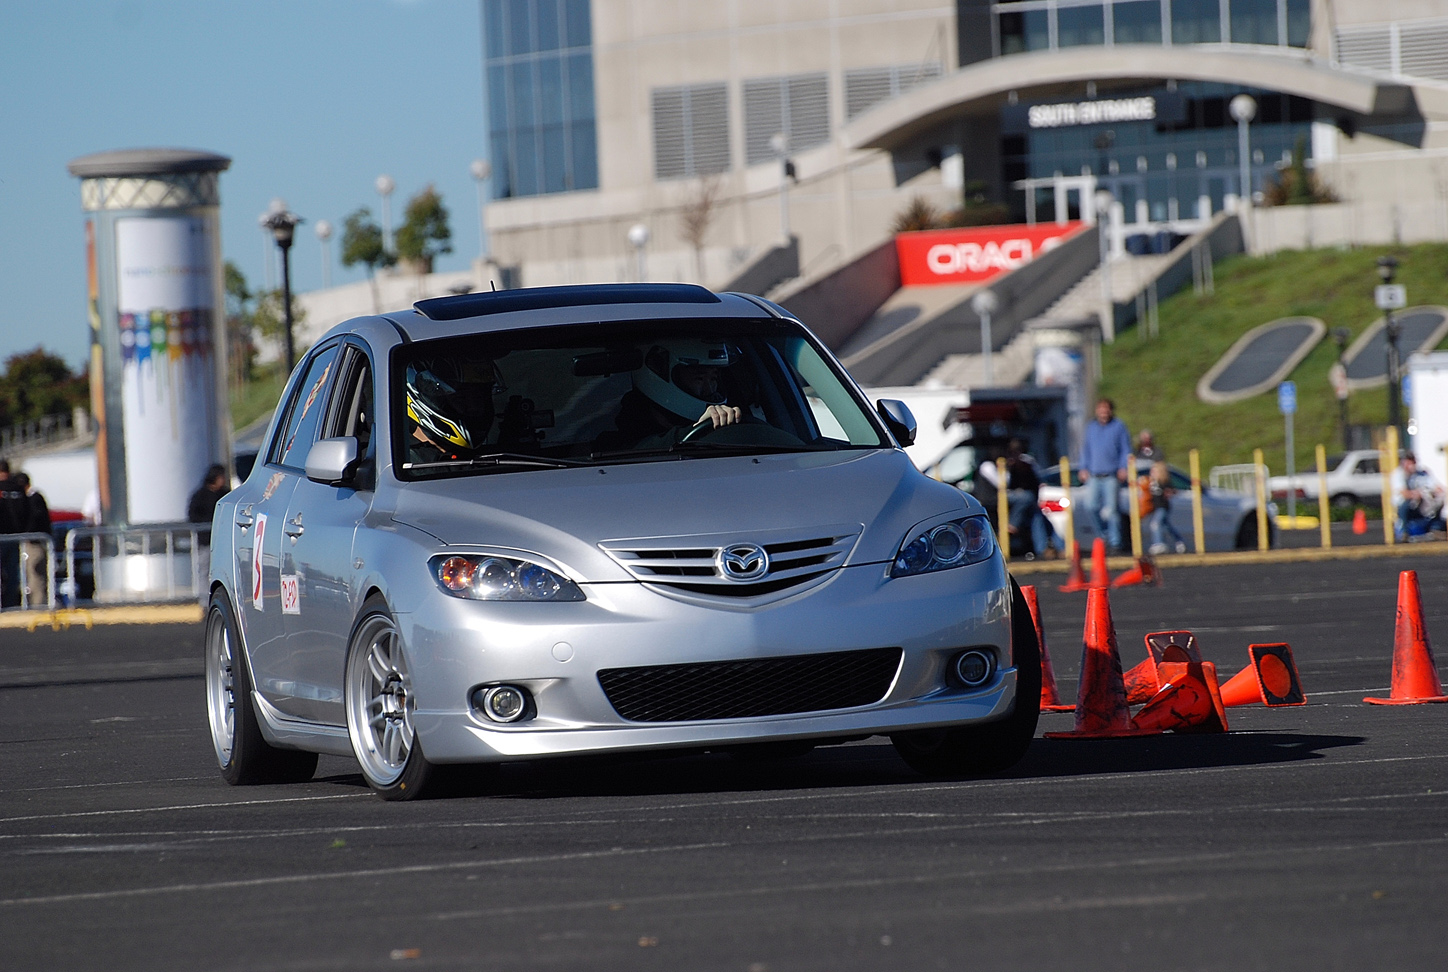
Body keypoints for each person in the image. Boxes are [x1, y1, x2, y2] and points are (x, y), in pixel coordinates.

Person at [596, 340, 742, 451]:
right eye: (699, 378)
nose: (709, 390)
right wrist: (694, 430)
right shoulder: (617, 437)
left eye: (713, 379)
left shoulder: (730, 421)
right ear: (659, 372)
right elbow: (637, 451)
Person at [1078, 398, 1132, 553]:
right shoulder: (1091, 427)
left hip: (1111, 475)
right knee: (1090, 506)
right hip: (1094, 475)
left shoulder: (1118, 426)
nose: (1104, 412)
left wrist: (1123, 467)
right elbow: (1086, 449)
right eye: (1101, 409)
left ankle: (1115, 542)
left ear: (1111, 410)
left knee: (1113, 510)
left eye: (1106, 408)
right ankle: (1104, 535)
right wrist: (1083, 467)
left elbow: (1125, 449)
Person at [1005, 438, 1062, 559]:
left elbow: (1036, 483)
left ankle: (1058, 548)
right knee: (1029, 502)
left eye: (1018, 451)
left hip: (1027, 505)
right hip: (1009, 502)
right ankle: (1013, 524)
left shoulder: (1028, 464)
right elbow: (1003, 485)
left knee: (1038, 516)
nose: (1016, 454)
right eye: (1013, 451)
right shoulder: (1003, 466)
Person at [13, 473, 51, 605]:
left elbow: (36, 519)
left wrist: (27, 533)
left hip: (35, 543)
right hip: (35, 541)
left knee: (36, 575)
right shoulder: (34, 498)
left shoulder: (34, 498)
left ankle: (38, 604)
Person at [1390, 452, 1446, 540]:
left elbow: (1436, 487)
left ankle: (1436, 529)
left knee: (1439, 501)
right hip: (1406, 505)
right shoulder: (1398, 474)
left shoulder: (1422, 473)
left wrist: (1439, 493)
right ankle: (1404, 532)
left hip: (1423, 503)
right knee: (1406, 504)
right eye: (1408, 462)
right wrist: (1418, 494)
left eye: (1412, 461)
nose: (1410, 465)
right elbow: (1404, 494)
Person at [1145, 461, 1188, 555]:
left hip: (1163, 506)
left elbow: (1173, 491)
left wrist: (1169, 492)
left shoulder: (1164, 482)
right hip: (1156, 507)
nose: (1152, 473)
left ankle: (1159, 543)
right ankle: (1179, 540)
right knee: (1166, 526)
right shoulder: (1151, 482)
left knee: (1155, 524)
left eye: (1155, 471)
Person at [0, 460, 24, 608]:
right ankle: (11, 604)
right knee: (13, 574)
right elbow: (26, 512)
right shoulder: (18, 488)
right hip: (17, 537)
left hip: (2, 536)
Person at [188, 464, 230, 545]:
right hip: (206, 539)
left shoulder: (226, 494)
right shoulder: (200, 496)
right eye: (221, 477)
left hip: (224, 538)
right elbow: (193, 515)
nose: (223, 479)